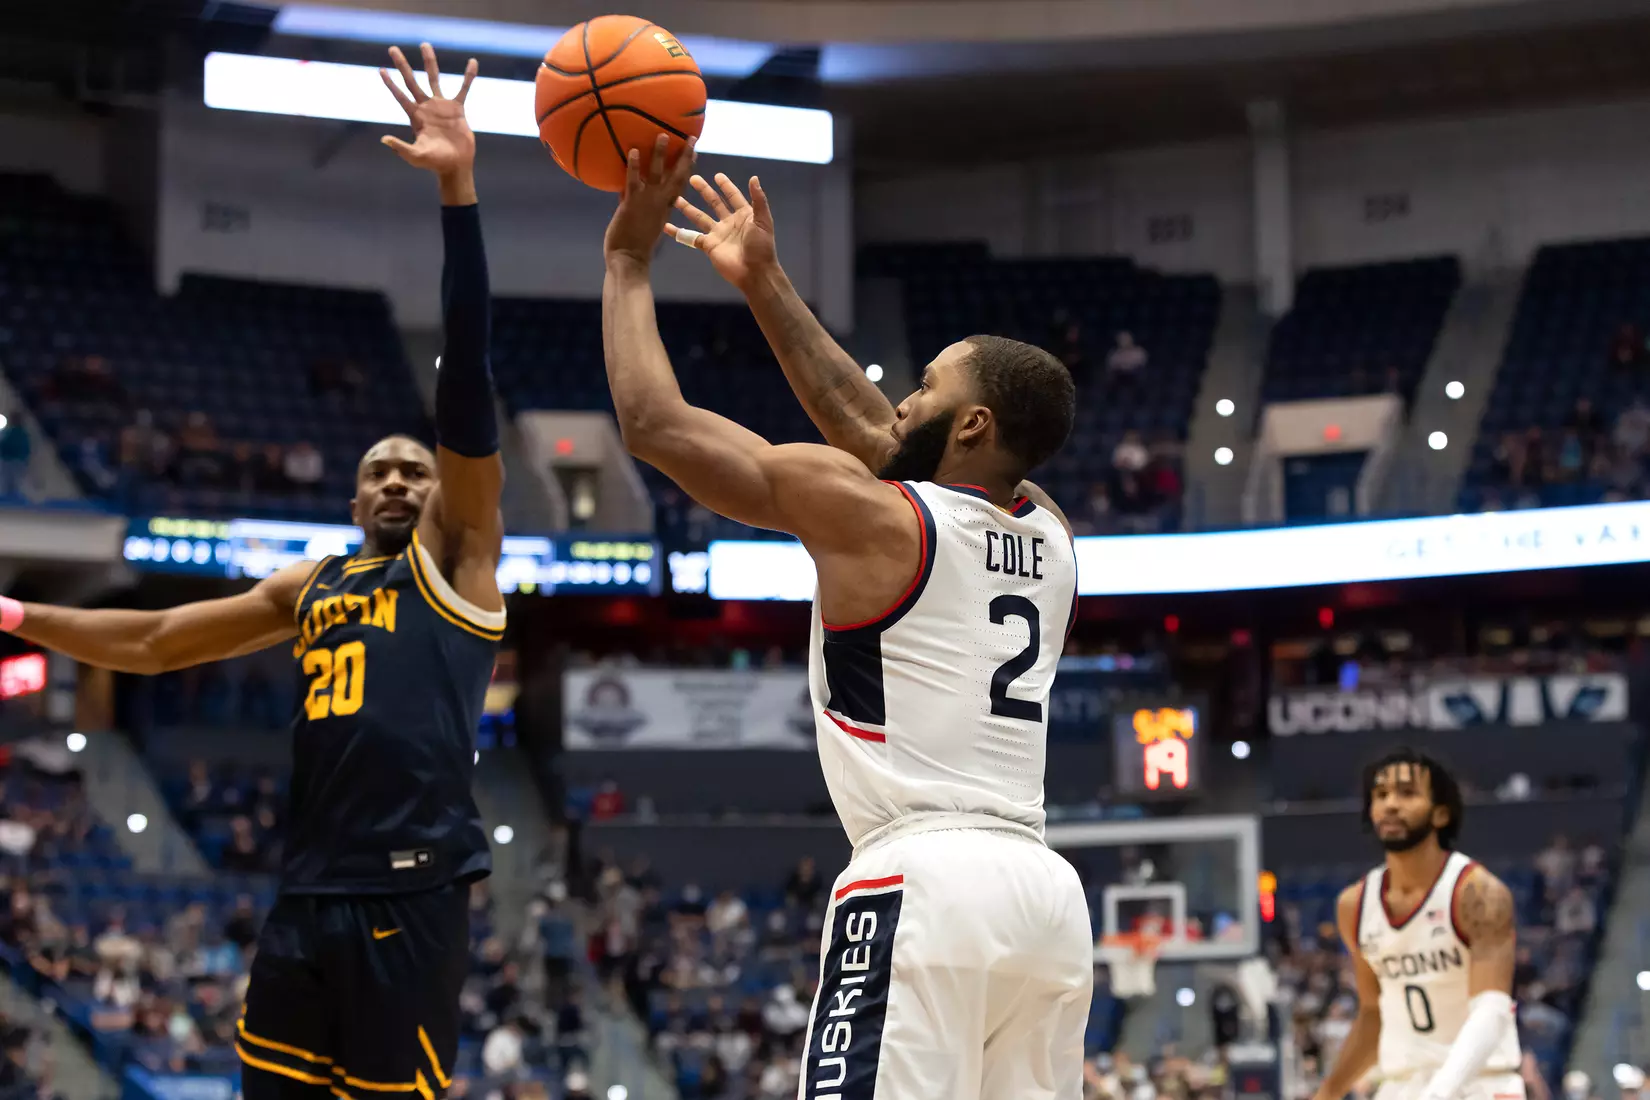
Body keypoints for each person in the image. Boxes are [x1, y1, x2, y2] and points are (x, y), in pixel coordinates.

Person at [0, 43, 503, 1100]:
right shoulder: (309, 588)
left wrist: (457, 190)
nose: (399, 479)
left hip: (411, 894)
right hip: (306, 894)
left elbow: (467, 382)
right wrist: (17, 613)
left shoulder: (459, 564)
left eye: (415, 469)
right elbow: (151, 639)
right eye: (379, 472)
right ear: (353, 502)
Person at [623, 141, 1091, 1097]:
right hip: (1045, 899)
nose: (902, 400)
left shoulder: (878, 521)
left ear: (972, 426)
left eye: (926, 386)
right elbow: (885, 438)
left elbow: (654, 424)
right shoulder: (1051, 530)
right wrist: (764, 282)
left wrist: (627, 260)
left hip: (924, 880)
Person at [1310, 751, 1522, 1100]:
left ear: (1441, 813)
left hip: (1482, 1083)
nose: (1391, 805)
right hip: (1403, 1086)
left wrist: (1439, 1093)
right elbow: (1373, 1014)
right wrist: (1328, 1093)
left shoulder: (1477, 892)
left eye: (1407, 793)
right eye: (1381, 795)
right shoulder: (1354, 904)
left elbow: (1492, 1010)